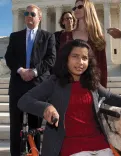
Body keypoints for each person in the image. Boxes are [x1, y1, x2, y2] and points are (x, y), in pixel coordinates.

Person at [18, 39, 121, 156]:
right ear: (66, 59)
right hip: (70, 145)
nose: (80, 62)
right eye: (75, 56)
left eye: (84, 58)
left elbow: (111, 97)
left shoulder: (91, 82)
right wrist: (46, 107)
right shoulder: (54, 82)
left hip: (99, 143)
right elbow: (24, 100)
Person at [5, 4, 56, 156]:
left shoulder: (48, 36)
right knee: (16, 126)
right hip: (17, 85)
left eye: (32, 14)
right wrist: (21, 71)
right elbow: (9, 57)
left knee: (36, 126)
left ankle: (34, 153)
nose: (28, 16)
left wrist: (33, 72)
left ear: (39, 17)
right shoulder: (15, 36)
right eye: (26, 13)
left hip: (38, 87)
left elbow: (51, 59)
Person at [58, 0, 107, 88]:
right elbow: (61, 63)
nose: (76, 9)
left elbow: (102, 66)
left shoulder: (97, 38)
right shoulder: (66, 36)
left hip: (90, 86)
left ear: (88, 9)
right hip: (69, 86)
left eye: (80, 7)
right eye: (74, 7)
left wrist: (102, 90)